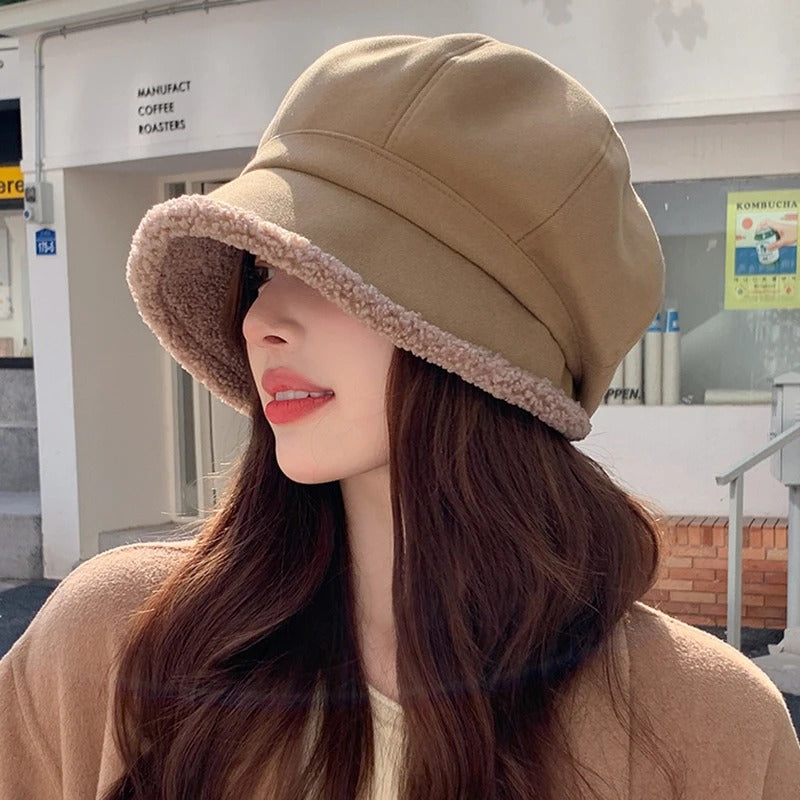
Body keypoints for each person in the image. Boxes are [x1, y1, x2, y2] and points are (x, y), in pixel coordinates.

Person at [1, 33, 798, 800]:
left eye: (333, 272)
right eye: (264, 269)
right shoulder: (112, 643)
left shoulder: (711, 728)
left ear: (483, 352)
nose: (260, 320)